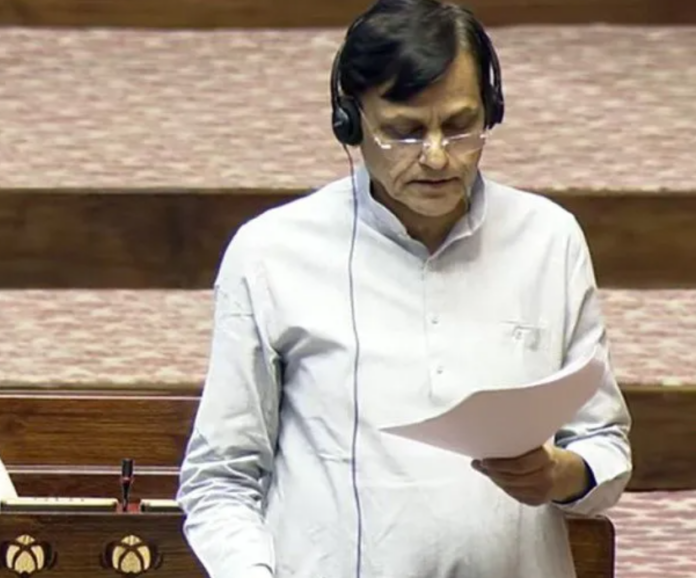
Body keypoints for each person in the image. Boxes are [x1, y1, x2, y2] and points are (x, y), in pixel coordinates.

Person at [177, 0, 632, 576]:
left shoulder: (549, 239)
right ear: (350, 122)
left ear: (491, 111)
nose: (437, 157)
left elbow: (604, 441)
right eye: (404, 132)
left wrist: (563, 475)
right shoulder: (271, 253)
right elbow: (221, 478)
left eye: (460, 126)